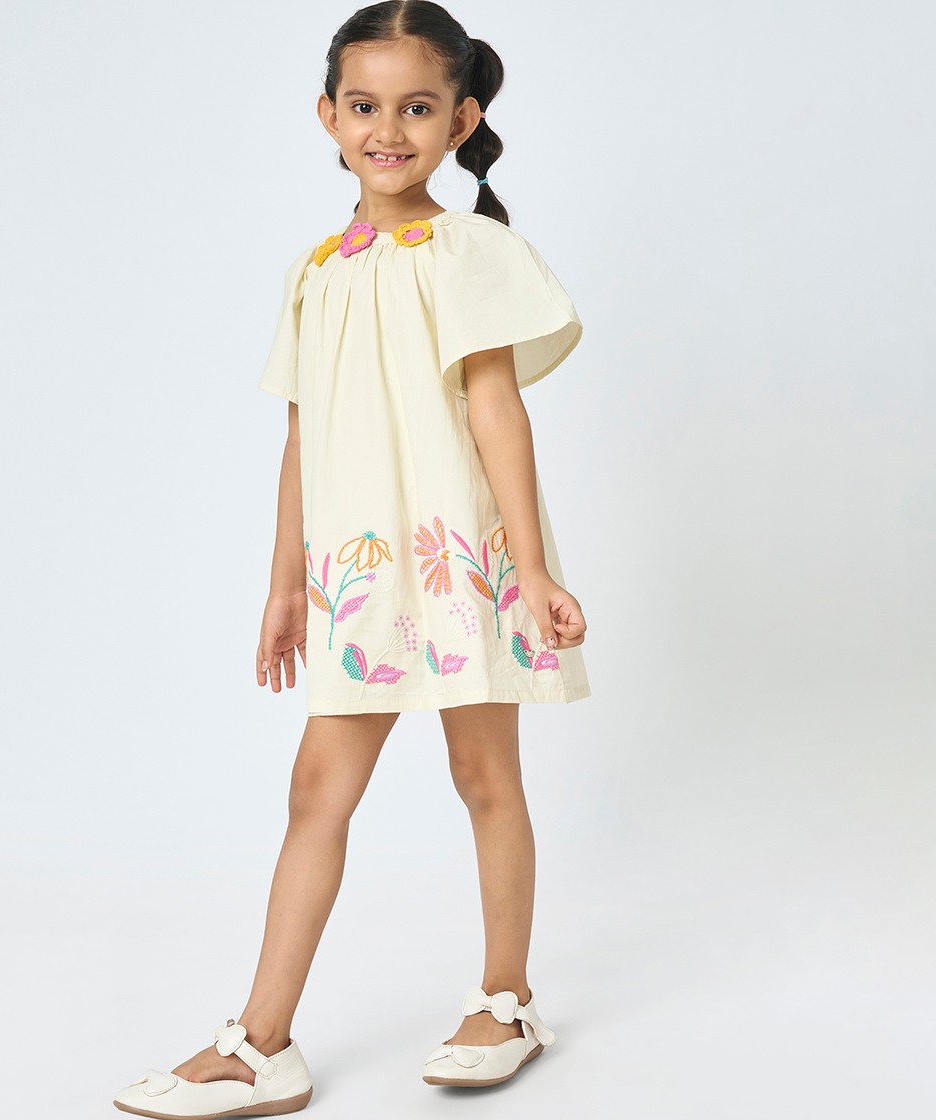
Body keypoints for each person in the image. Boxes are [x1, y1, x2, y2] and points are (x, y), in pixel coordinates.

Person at [113, 2, 591, 1116]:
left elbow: (497, 408)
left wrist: (530, 568)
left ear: (461, 120)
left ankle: (507, 1000)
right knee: (316, 789)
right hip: (363, 570)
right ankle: (261, 1043)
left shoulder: (472, 252)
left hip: (460, 555)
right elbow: (303, 438)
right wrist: (286, 584)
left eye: (417, 108)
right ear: (328, 116)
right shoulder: (316, 270)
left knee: (485, 776)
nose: (388, 130)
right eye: (365, 106)